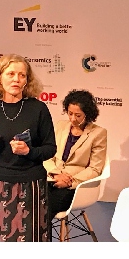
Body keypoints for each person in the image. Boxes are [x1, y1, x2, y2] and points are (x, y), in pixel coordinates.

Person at [0, 54, 56, 242]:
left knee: (33, 239)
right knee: (2, 239)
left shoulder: (39, 109)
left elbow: (50, 148)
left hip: (32, 183)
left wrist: (29, 151)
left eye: (22, 75)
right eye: (11, 74)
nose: (16, 79)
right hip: (0, 184)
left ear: (27, 80)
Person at [45, 89, 107, 239]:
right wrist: (55, 174)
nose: (73, 118)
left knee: (45, 207)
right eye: (70, 113)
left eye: (78, 115)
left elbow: (95, 168)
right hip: (52, 178)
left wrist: (70, 181)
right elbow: (47, 155)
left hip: (75, 186)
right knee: (32, 200)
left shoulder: (98, 133)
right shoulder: (60, 126)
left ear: (88, 113)